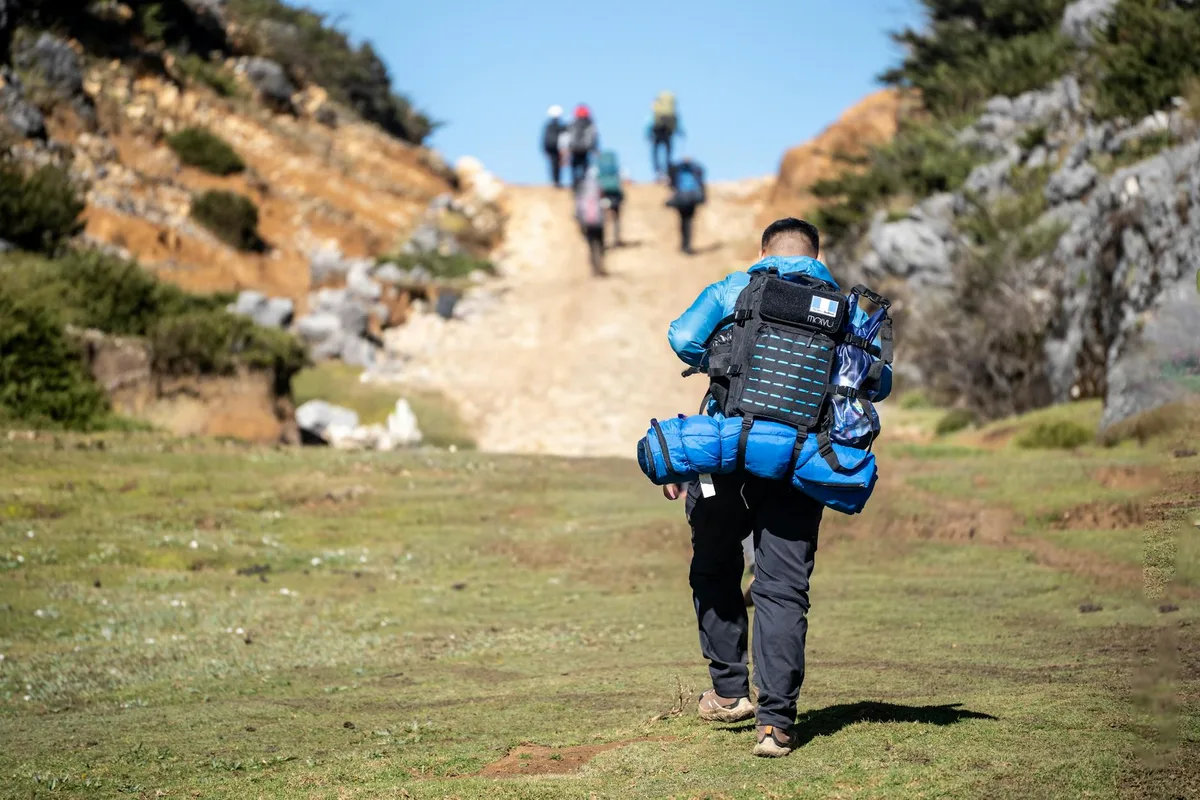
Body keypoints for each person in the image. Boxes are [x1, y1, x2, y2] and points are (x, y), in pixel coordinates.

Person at [663, 217, 892, 758]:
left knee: (714, 565)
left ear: (763, 251)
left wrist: (724, 359)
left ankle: (727, 693)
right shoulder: (844, 307)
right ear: (817, 254)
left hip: (724, 453)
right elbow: (876, 381)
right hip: (800, 459)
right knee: (781, 586)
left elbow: (681, 337)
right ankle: (776, 726)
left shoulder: (733, 287)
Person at [666, 157, 706, 255]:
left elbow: (671, 181)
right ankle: (687, 245)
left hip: (682, 199)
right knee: (688, 222)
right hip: (691, 199)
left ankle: (685, 245)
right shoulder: (694, 170)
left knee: (684, 221)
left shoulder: (680, 170)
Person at [575, 165, 607, 277]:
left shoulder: (582, 187)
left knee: (591, 246)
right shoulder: (599, 186)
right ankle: (600, 266)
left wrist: (579, 221)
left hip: (587, 222)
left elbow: (578, 206)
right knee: (600, 244)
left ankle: (595, 268)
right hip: (599, 221)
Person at [647, 91, 684, 179]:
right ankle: (667, 171)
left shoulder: (656, 108)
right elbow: (676, 122)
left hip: (656, 133)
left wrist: (648, 134)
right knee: (667, 154)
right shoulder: (671, 111)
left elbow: (650, 122)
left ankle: (658, 171)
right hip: (668, 133)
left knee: (655, 153)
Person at [595, 149, 624, 247]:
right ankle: (617, 239)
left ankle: (602, 241)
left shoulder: (597, 168)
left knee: (602, 218)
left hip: (603, 194)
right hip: (615, 194)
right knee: (616, 217)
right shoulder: (615, 168)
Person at [567, 104, 599, 189]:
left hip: (574, 149)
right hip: (585, 149)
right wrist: (595, 149)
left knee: (574, 167)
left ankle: (575, 184)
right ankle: (584, 184)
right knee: (585, 167)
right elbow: (594, 137)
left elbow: (568, 136)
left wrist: (567, 148)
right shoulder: (590, 124)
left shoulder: (572, 123)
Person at [541, 105, 566, 187]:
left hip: (550, 147)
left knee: (553, 165)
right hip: (557, 148)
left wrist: (545, 149)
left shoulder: (548, 126)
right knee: (556, 165)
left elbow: (545, 139)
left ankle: (555, 181)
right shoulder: (561, 127)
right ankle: (556, 181)